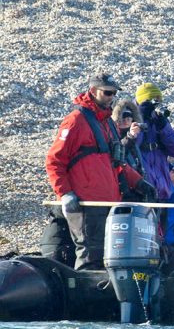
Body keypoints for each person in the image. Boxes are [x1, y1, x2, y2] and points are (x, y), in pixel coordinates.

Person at [44, 73, 156, 269]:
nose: (111, 97)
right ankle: (87, 298)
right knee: (90, 254)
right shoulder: (76, 120)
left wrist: (138, 182)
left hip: (109, 202)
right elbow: (54, 160)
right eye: (107, 92)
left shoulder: (107, 123)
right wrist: (65, 194)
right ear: (93, 91)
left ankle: (108, 297)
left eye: (114, 93)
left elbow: (117, 162)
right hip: (87, 204)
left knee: (111, 254)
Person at [133, 82, 174, 203]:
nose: (156, 103)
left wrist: (163, 127)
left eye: (158, 100)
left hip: (162, 192)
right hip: (140, 190)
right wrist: (141, 118)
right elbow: (132, 145)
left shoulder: (158, 119)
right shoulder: (129, 117)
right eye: (152, 100)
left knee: (161, 221)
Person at [112, 97, 145, 181]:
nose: (126, 122)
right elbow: (119, 152)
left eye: (128, 119)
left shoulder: (135, 137)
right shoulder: (112, 135)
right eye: (122, 119)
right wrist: (130, 136)